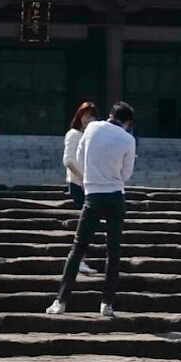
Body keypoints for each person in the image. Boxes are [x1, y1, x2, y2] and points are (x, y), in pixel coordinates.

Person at [47, 101, 136, 316]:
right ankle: (107, 303)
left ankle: (61, 301)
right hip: (115, 195)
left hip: (93, 194)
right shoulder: (128, 139)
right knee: (113, 252)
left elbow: (78, 156)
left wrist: (92, 174)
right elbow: (126, 174)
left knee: (78, 249)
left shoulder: (93, 128)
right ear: (127, 122)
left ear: (110, 114)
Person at [61, 100, 95, 208]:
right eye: (84, 116)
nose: (87, 119)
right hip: (78, 183)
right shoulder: (74, 134)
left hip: (90, 184)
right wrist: (82, 179)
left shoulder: (92, 137)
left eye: (90, 117)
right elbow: (68, 160)